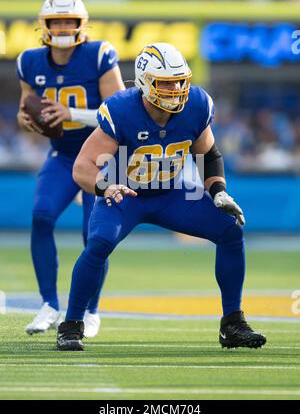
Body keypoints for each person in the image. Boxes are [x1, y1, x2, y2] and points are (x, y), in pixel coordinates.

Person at [56, 42, 266, 351]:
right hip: (125, 193)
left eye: (180, 80)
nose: (176, 88)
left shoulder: (196, 104)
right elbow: (82, 167)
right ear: (144, 82)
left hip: (172, 192)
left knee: (230, 231)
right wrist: (105, 187)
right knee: (98, 243)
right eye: (166, 82)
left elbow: (208, 153)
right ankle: (71, 324)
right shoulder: (121, 109)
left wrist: (218, 191)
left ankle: (233, 324)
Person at [16, 0, 125, 337]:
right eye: (56, 21)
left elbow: (122, 115)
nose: (63, 27)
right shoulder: (30, 62)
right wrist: (28, 121)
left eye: (69, 21)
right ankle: (49, 304)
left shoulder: (99, 55)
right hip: (62, 156)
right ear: (45, 25)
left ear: (81, 25)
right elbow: (25, 110)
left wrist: (71, 113)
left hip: (101, 158)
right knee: (41, 216)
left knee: (95, 236)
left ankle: (90, 311)